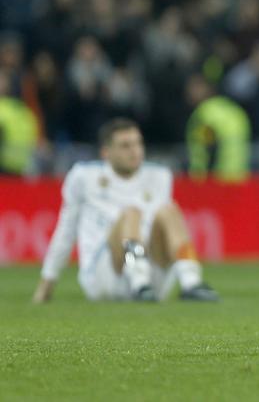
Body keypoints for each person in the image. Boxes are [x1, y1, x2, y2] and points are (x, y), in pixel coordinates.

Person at [33, 118, 220, 303]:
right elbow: (66, 230)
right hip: (104, 274)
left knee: (169, 211)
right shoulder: (84, 176)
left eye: (138, 143)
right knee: (131, 213)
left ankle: (191, 282)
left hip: (151, 271)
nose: (135, 151)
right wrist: (47, 283)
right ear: (106, 152)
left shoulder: (159, 176)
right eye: (125, 146)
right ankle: (139, 281)